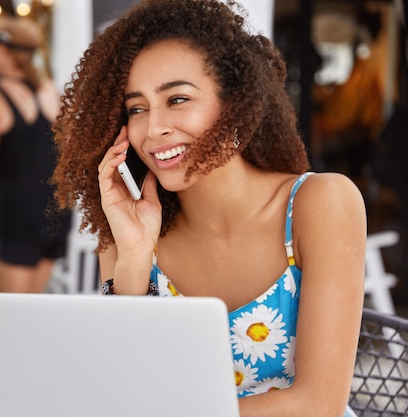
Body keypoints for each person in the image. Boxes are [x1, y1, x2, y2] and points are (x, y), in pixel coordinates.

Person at [50, 1, 366, 416]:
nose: (155, 127)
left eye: (177, 99)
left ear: (235, 102)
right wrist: (134, 257)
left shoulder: (320, 205)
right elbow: (121, 388)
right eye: (137, 108)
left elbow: (318, 405)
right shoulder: (129, 234)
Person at [0, 16, 72, 293]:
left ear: (2, 50)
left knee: (10, 317)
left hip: (18, 217)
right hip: (57, 212)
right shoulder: (50, 91)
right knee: (31, 308)